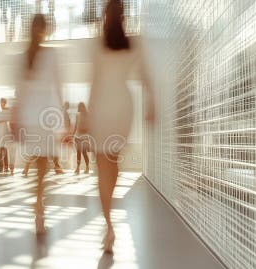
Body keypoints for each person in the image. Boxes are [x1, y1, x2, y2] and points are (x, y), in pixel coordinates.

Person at [87, 0, 155, 253]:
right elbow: (146, 78)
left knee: (101, 167)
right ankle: (110, 218)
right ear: (124, 16)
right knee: (113, 163)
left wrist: (87, 117)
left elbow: (93, 84)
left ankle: (108, 227)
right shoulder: (133, 43)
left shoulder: (97, 46)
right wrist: (151, 104)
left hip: (102, 105)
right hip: (123, 106)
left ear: (105, 16)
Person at [11, 14, 65, 235]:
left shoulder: (23, 56)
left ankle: (38, 203)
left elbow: (18, 92)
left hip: (29, 118)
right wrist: (65, 117)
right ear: (45, 30)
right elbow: (58, 87)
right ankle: (39, 204)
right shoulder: (50, 55)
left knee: (38, 164)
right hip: (44, 118)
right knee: (42, 166)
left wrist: (15, 118)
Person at [0, 98, 13, 173]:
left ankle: (6, 167)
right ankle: (0, 167)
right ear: (0, 103)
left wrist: (6, 111)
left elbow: (9, 117)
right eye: (1, 103)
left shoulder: (6, 113)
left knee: (4, 152)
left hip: (4, 135)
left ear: (5, 103)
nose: (2, 104)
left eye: (4, 103)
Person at [73, 102, 91, 174]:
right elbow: (76, 125)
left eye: (79, 107)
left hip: (82, 137)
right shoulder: (79, 115)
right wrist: (73, 134)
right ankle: (80, 168)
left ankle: (84, 168)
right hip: (79, 137)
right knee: (81, 153)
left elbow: (76, 125)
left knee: (82, 153)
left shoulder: (84, 115)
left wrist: (73, 134)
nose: (79, 108)